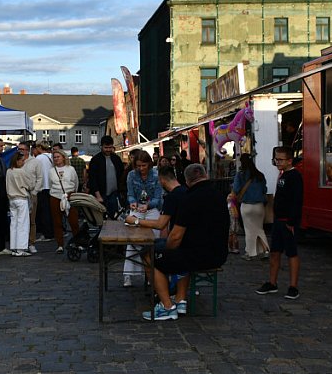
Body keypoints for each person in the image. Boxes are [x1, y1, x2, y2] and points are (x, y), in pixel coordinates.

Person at [142, 164, 229, 321]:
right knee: (177, 250)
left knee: (149, 254)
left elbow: (175, 237)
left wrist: (166, 251)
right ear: (205, 175)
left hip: (197, 256)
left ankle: (167, 306)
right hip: (218, 253)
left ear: (187, 180)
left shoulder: (189, 199)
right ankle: (180, 299)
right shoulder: (219, 195)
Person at [256, 146, 303, 300]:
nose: (277, 162)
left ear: (290, 160)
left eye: (281, 159)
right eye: (276, 159)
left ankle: (293, 286)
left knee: (292, 253)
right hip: (278, 221)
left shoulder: (295, 176)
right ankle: (272, 282)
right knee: (275, 252)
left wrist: (292, 221)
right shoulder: (282, 175)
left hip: (288, 222)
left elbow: (297, 200)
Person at [123, 150, 163, 287]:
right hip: (137, 208)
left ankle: (152, 274)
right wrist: (132, 202)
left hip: (152, 209)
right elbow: (130, 194)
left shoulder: (156, 176)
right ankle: (128, 275)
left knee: (154, 239)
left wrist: (149, 205)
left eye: (144, 166)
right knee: (132, 241)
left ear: (149, 164)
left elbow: (158, 197)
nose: (141, 169)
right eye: (138, 166)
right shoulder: (131, 175)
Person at [234, 153, 269, 260]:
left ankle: (249, 253)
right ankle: (265, 250)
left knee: (249, 230)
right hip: (259, 206)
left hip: (246, 206)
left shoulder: (240, 175)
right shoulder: (260, 175)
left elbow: (236, 189)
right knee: (259, 228)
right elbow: (265, 190)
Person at [48, 150, 80, 254]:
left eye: (58, 157)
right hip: (55, 196)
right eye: (54, 157)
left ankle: (77, 242)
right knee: (57, 222)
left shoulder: (70, 169)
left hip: (69, 196)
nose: (56, 159)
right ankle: (60, 245)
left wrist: (72, 193)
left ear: (63, 157)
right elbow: (50, 184)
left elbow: (75, 182)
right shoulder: (51, 171)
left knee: (74, 221)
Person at [87, 135, 124, 218]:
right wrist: (98, 196)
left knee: (114, 217)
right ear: (101, 146)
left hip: (114, 194)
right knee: (101, 218)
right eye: (106, 147)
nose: (108, 150)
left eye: (110, 147)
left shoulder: (116, 159)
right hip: (101, 194)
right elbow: (93, 179)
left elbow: (121, 175)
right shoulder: (95, 160)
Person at [6, 152, 32, 257]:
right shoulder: (22, 172)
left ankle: (14, 247)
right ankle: (21, 248)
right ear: (17, 161)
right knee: (23, 224)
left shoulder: (9, 171)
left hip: (12, 199)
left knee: (14, 223)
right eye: (22, 160)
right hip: (21, 199)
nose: (23, 162)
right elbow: (30, 185)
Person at [19, 141, 42, 254]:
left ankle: (31, 242)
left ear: (28, 150)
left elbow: (40, 178)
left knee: (32, 220)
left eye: (22, 149)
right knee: (21, 220)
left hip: (31, 194)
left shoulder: (35, 162)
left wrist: (35, 192)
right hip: (19, 194)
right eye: (19, 149)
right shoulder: (16, 161)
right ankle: (21, 243)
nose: (20, 151)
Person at [34, 141, 55, 242]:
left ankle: (47, 234)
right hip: (53, 187)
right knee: (52, 211)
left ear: (39, 147)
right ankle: (53, 232)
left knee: (44, 212)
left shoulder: (38, 158)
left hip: (42, 187)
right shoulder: (52, 156)